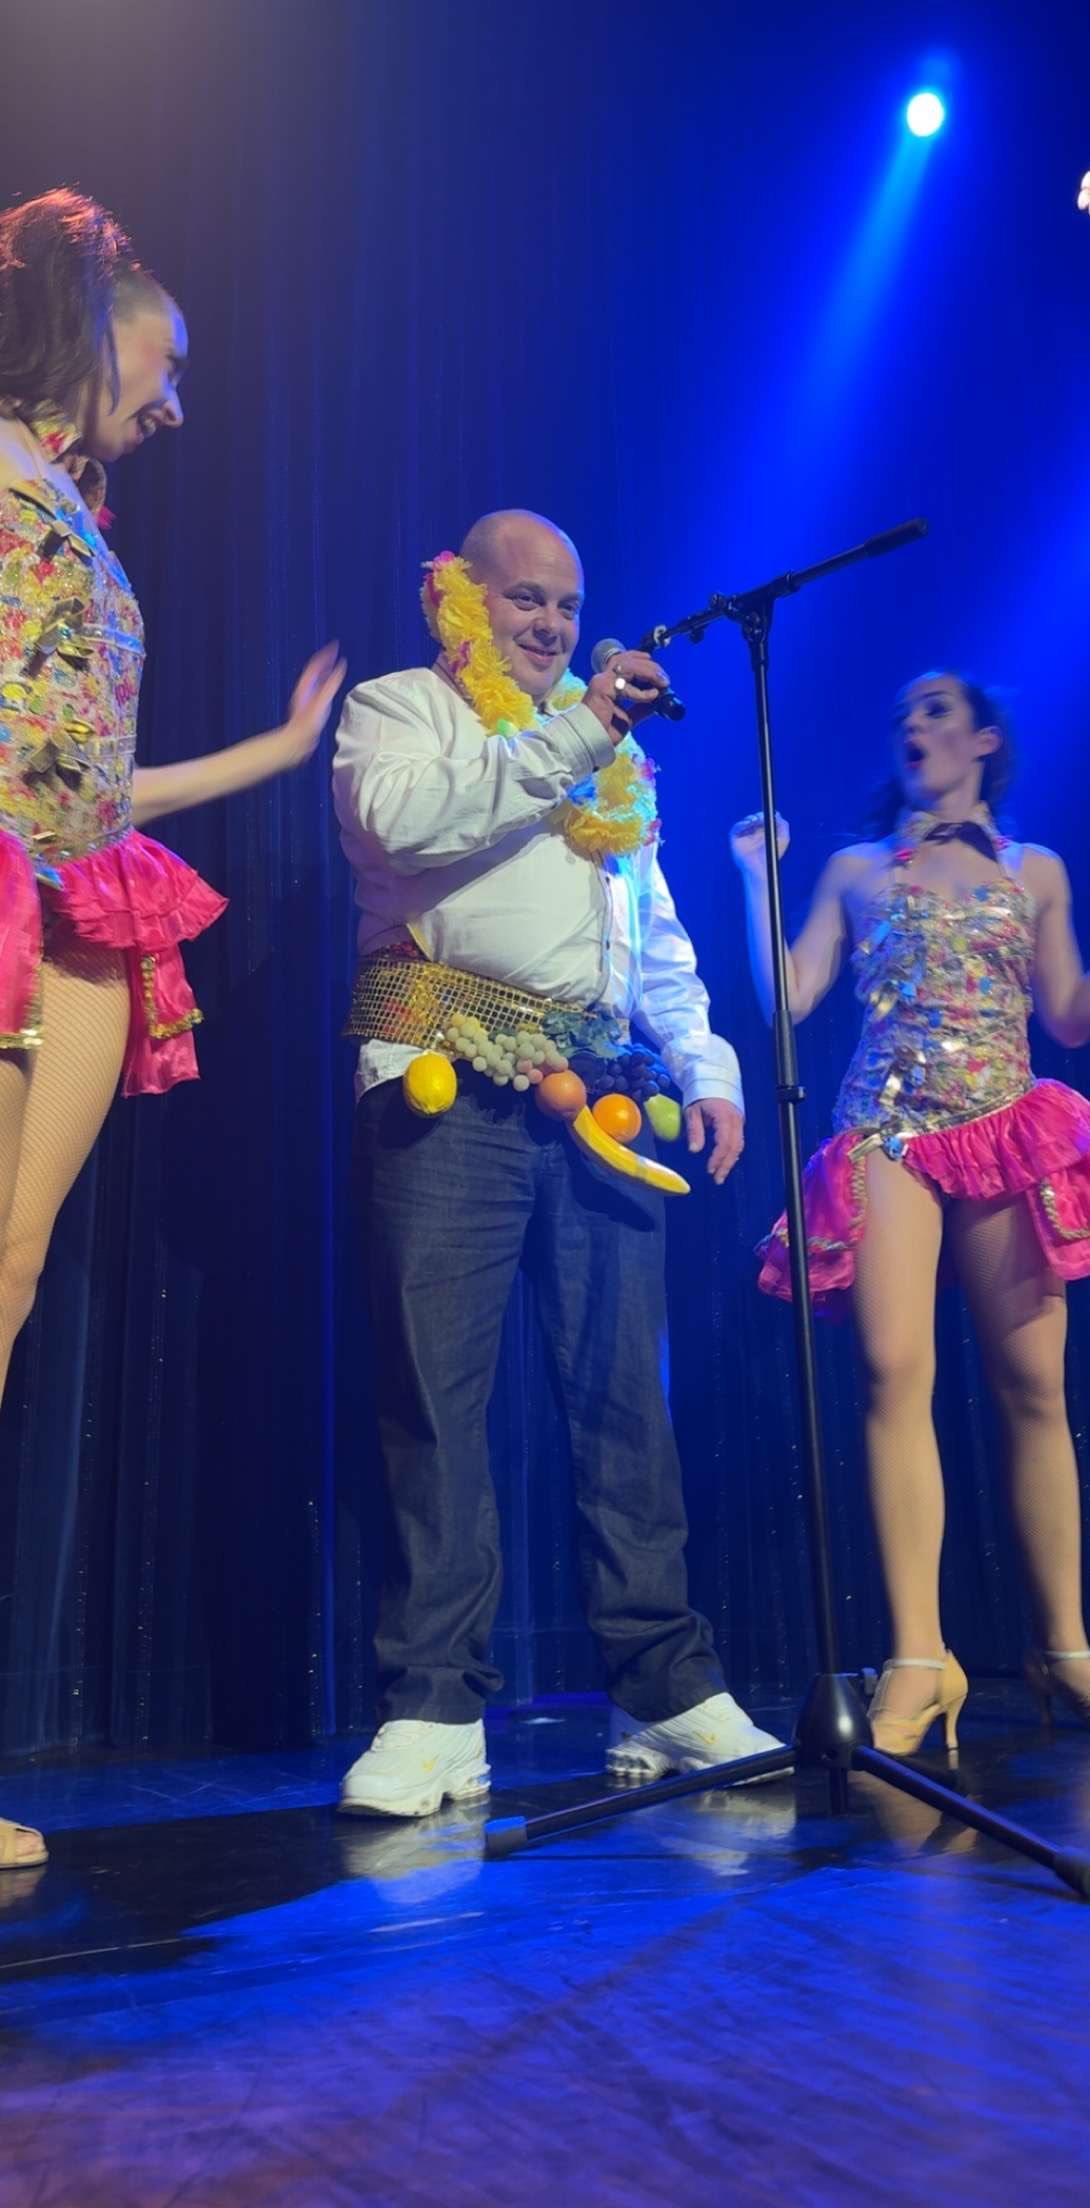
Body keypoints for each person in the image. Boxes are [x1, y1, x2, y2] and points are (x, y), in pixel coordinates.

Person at [333, 507, 781, 1820]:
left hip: (597, 1095)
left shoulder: (612, 763)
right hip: (442, 1077)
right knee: (434, 1402)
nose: (549, 623)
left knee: (625, 1405)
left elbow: (650, 932)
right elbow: (404, 827)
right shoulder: (399, 709)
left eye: (567, 605)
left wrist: (705, 1064)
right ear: (460, 597)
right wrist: (581, 727)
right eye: (524, 597)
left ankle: (662, 1687)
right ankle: (432, 1710)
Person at [0, 189, 344, 1870]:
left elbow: (92, 772)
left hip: (80, 897)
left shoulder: (77, 504)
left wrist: (271, 759)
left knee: (8, 1282)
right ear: (93, 318)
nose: (183, 400)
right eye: (172, 360)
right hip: (7, 882)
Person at [731, 671, 1090, 1754]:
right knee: (893, 1371)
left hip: (1003, 1124)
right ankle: (918, 1657)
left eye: (936, 710)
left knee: (1033, 1385)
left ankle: (1063, 1651)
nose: (913, 725)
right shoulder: (855, 869)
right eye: (902, 714)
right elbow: (789, 1000)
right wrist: (756, 881)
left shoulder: (1036, 870)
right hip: (888, 1131)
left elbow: (1071, 1017)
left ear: (985, 739)